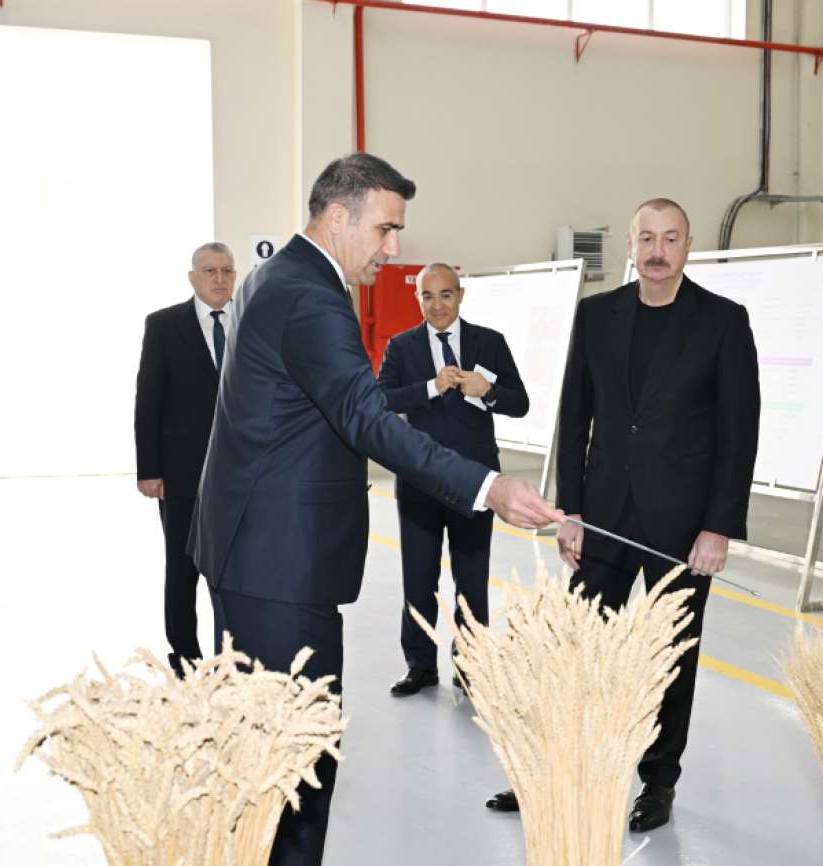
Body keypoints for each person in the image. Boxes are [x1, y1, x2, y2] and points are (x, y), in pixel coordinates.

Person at [189, 153, 561, 866]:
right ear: (338, 216)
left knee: (262, 757)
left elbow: (323, 410)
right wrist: (487, 487)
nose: (393, 250)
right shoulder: (309, 295)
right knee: (296, 765)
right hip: (278, 561)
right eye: (386, 229)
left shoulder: (277, 276)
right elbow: (365, 418)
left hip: (256, 549)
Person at [485, 197, 760, 832]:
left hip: (683, 528)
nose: (658, 251)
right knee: (577, 650)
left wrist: (719, 526)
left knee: (672, 658)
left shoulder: (723, 321)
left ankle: (658, 783)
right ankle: (554, 768)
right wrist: (572, 512)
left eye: (671, 238)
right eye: (647, 238)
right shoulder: (596, 315)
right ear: (630, 246)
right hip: (604, 517)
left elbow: (738, 432)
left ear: (688, 245)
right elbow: (574, 415)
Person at [377, 262, 530, 696]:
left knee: (472, 578)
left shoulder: (489, 342)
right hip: (419, 481)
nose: (437, 305)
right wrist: (430, 386)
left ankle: (471, 666)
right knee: (418, 579)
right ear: (418, 299)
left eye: (446, 294)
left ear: (460, 295)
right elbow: (381, 399)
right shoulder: (402, 346)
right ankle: (420, 666)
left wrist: (489, 391)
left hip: (476, 482)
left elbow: (520, 403)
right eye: (427, 296)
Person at [134, 241, 236, 673]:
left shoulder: (251, 323)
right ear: (193, 277)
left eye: (226, 271)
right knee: (182, 568)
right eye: (210, 271)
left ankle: (235, 655)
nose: (219, 279)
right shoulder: (163, 325)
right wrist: (149, 469)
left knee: (237, 570)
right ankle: (186, 657)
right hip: (182, 475)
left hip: (241, 475)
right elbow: (148, 401)